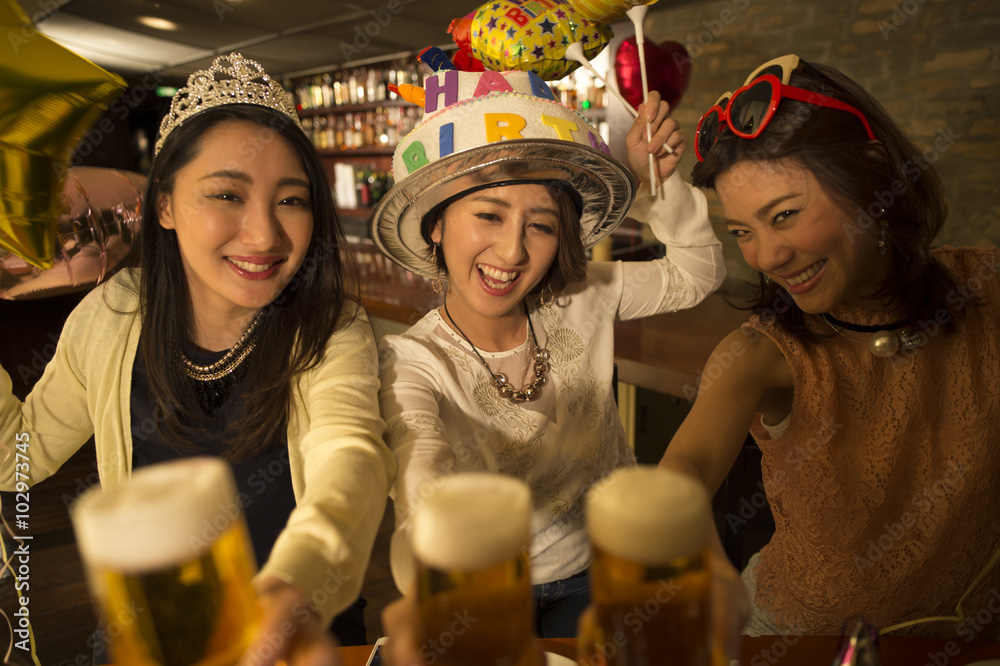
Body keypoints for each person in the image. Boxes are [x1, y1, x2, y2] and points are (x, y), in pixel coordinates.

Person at [0, 53, 394, 664]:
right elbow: (17, 459)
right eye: (227, 195)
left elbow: (351, 458)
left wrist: (291, 587)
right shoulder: (115, 315)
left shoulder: (329, 327)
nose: (264, 236)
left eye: (291, 201)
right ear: (164, 205)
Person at [371, 64, 726, 641]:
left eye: (540, 225)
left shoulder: (582, 297)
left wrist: (656, 186)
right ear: (436, 225)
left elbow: (697, 272)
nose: (511, 252)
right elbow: (420, 464)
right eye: (488, 215)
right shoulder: (411, 362)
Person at [660, 53, 1000, 639]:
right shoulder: (761, 355)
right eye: (743, 231)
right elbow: (677, 478)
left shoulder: (987, 288)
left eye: (785, 214)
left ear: (873, 176)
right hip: (792, 642)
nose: (766, 256)